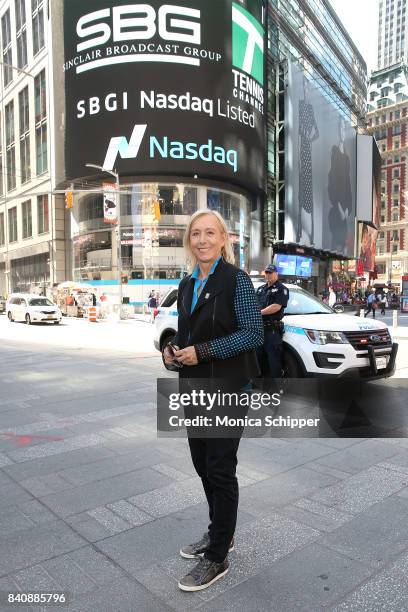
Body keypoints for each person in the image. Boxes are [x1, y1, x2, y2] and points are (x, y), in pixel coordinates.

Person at [163, 209, 263, 592]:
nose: (202, 240)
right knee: (203, 465)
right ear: (189, 241)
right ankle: (221, 531)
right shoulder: (187, 284)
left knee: (220, 469)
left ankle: (218, 555)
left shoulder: (236, 280)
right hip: (194, 389)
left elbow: (253, 333)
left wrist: (202, 351)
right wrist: (173, 351)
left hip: (227, 389)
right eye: (195, 234)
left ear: (224, 239)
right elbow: (186, 334)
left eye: (210, 233)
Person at [255, 264, 289, 380]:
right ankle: (261, 385)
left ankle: (276, 388)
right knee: (258, 358)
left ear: (276, 274)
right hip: (259, 329)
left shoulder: (281, 289)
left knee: (274, 360)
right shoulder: (261, 289)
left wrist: (258, 313)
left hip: (272, 331)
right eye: (267, 273)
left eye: (271, 273)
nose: (268, 275)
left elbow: (276, 307)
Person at [327, 118, 352, 252]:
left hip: (344, 210)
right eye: (340, 128)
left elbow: (348, 183)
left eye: (344, 129)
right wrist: (339, 207)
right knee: (336, 244)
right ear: (337, 131)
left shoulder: (347, 158)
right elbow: (332, 181)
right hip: (336, 210)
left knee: (342, 245)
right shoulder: (334, 151)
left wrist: (348, 208)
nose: (342, 132)